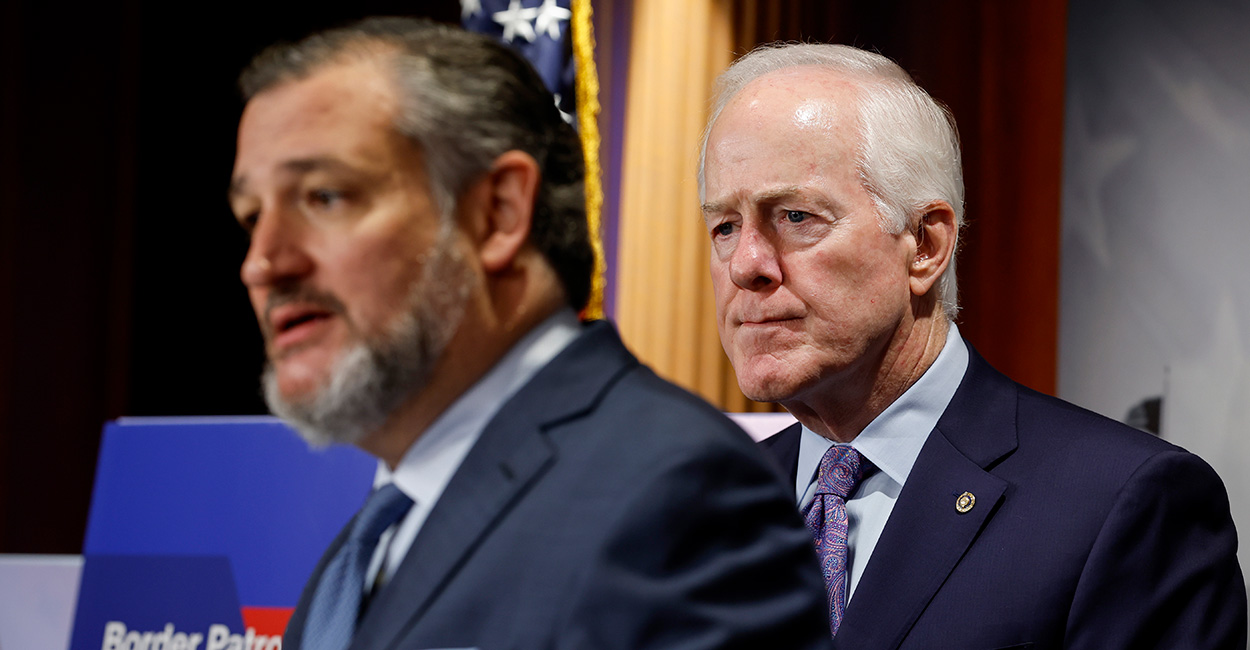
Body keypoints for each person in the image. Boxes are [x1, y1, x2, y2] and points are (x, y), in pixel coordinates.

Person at [228, 18, 832, 650]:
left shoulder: (677, 496)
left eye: (324, 197)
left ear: (498, 213)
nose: (263, 263)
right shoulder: (356, 556)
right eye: (250, 216)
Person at [699, 42, 1247, 649]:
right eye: (724, 226)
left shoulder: (1126, 505)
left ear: (926, 246)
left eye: (796, 216)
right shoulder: (698, 508)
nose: (746, 264)